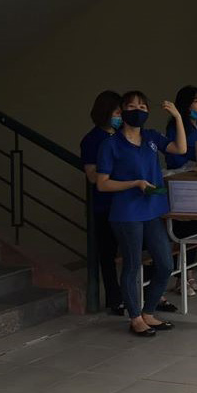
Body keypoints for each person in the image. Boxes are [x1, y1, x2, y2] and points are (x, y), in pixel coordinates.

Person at [96, 90, 187, 337]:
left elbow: (180, 148)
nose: (138, 111)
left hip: (152, 210)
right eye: (132, 106)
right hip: (126, 213)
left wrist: (177, 117)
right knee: (132, 265)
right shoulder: (111, 144)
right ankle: (135, 317)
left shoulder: (151, 137)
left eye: (143, 107)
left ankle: (148, 312)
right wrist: (134, 183)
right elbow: (102, 183)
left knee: (165, 264)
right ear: (122, 110)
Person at [80, 90, 124, 316]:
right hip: (104, 205)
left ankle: (129, 294)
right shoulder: (92, 140)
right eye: (117, 111)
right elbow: (91, 175)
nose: (120, 115)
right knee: (107, 254)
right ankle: (114, 298)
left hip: (125, 203)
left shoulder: (120, 135)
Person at [165, 85, 197, 296]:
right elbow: (175, 158)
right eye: (195, 101)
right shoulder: (176, 126)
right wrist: (193, 156)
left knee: (195, 233)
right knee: (181, 234)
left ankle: (189, 274)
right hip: (183, 184)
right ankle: (179, 277)